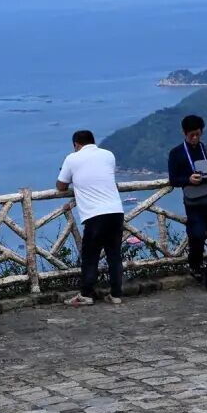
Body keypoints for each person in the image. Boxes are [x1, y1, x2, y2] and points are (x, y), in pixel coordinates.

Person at [58, 130, 126, 307]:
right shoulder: (108, 155)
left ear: (76, 145)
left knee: (90, 256)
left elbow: (61, 186)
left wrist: (71, 175)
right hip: (116, 211)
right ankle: (116, 294)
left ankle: (86, 294)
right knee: (114, 255)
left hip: (94, 215)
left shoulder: (72, 159)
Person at [167, 115, 207, 293]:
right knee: (197, 234)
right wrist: (188, 179)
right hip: (193, 203)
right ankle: (195, 264)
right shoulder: (176, 153)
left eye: (198, 134)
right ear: (184, 133)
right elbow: (173, 179)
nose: (195, 138)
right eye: (191, 135)